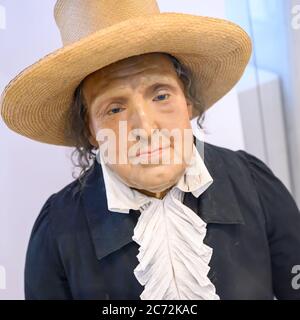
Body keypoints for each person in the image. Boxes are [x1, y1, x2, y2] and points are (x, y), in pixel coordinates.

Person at [1, 0, 300, 300]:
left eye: (160, 95)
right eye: (115, 109)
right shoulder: (58, 234)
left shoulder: (252, 186)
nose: (144, 128)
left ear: (187, 100)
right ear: (90, 129)